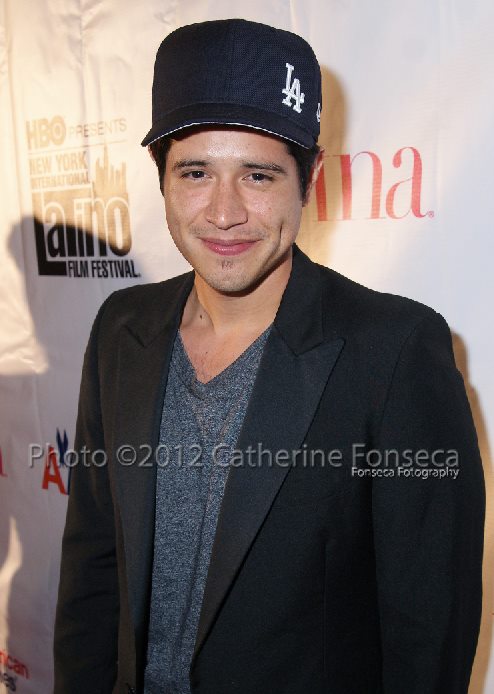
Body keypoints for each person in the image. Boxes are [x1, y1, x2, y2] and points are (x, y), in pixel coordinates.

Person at [53, 18, 485, 694]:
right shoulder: (120, 330)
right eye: (196, 171)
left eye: (258, 175)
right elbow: (92, 574)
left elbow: (427, 640)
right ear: (161, 176)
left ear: (308, 179)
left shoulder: (395, 353)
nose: (225, 212)